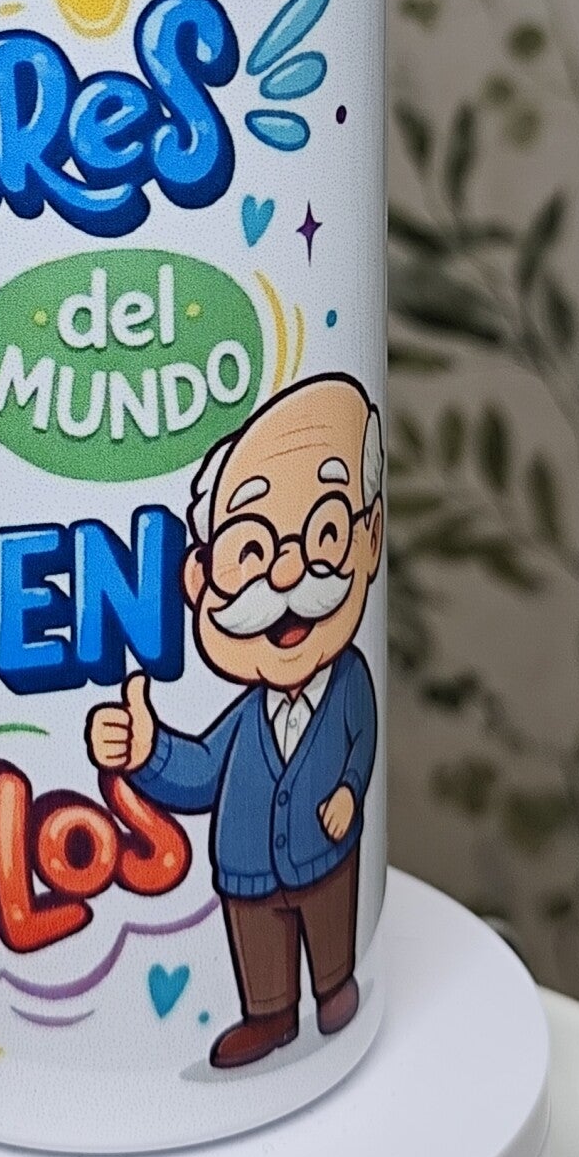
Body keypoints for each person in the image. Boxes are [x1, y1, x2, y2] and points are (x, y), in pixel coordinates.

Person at [86, 373, 381, 1069]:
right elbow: (199, 775)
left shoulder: (347, 683)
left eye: (323, 533)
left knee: (330, 922)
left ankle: (335, 985)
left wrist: (347, 791)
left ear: (369, 539)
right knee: (260, 944)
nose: (286, 575)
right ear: (199, 581)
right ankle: (269, 1015)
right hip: (247, 869)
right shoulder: (244, 719)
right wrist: (148, 750)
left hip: (325, 851)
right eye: (251, 550)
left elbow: (361, 739)